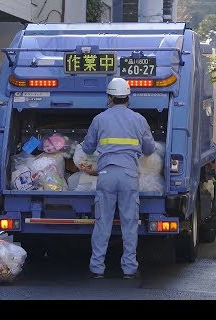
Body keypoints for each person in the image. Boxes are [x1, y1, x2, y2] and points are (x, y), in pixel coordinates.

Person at [81, 77, 155, 279]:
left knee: (102, 223)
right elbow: (149, 148)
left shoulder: (99, 119)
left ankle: (97, 268)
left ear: (109, 98)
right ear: (128, 98)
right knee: (129, 223)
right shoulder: (139, 119)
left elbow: (87, 148)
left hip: (106, 175)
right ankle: (129, 269)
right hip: (129, 175)